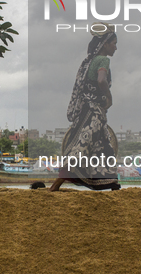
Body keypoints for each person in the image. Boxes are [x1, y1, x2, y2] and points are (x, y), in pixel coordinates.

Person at [50, 23, 121, 192]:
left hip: (87, 112)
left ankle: (113, 185)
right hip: (94, 114)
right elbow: (101, 80)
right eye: (114, 43)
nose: (116, 48)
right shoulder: (103, 60)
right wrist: (109, 97)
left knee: (102, 149)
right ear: (105, 43)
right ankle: (54, 187)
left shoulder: (88, 61)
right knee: (81, 150)